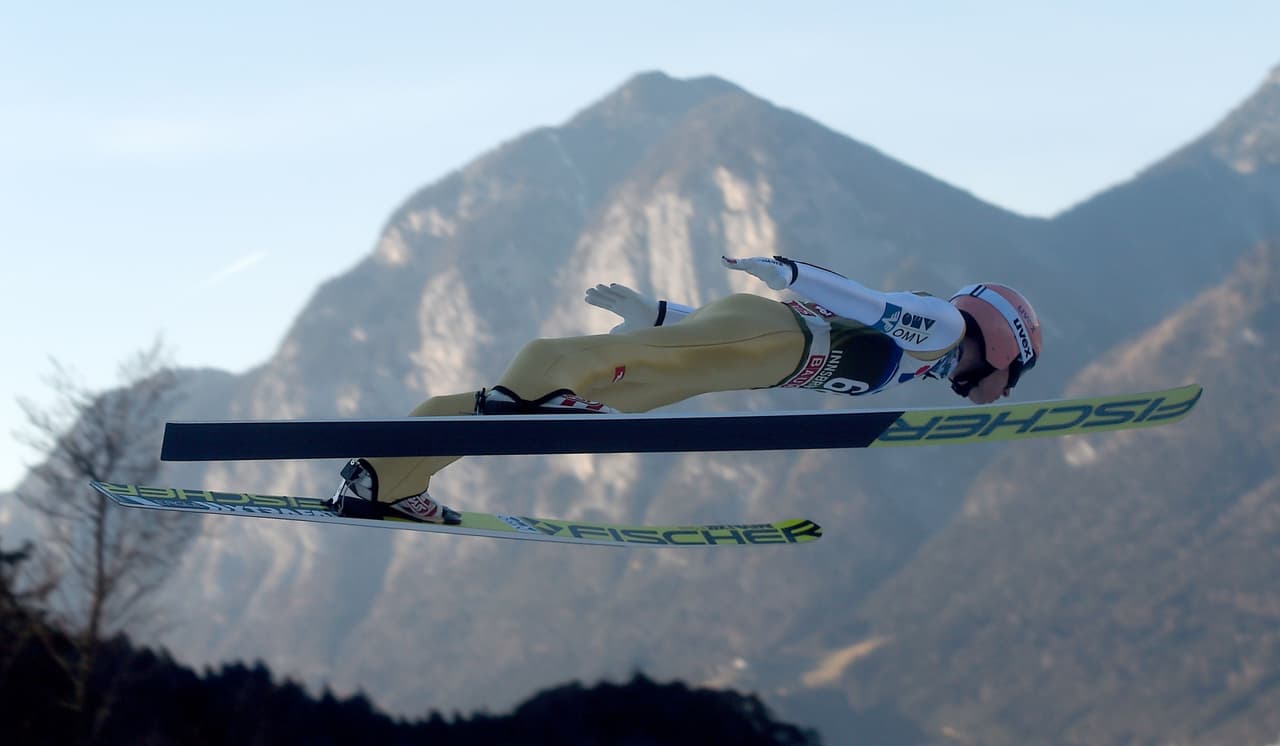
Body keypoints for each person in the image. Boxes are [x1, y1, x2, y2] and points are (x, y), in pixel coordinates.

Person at [331, 255, 1043, 524]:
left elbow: (712, 338)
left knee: (624, 386)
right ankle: (538, 388)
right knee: (572, 366)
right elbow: (864, 303)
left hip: (746, 356)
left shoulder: (930, 360)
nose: (1002, 391)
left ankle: (383, 477)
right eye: (1014, 375)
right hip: (770, 341)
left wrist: (661, 316)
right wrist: (793, 274)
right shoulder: (943, 326)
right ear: (1007, 341)